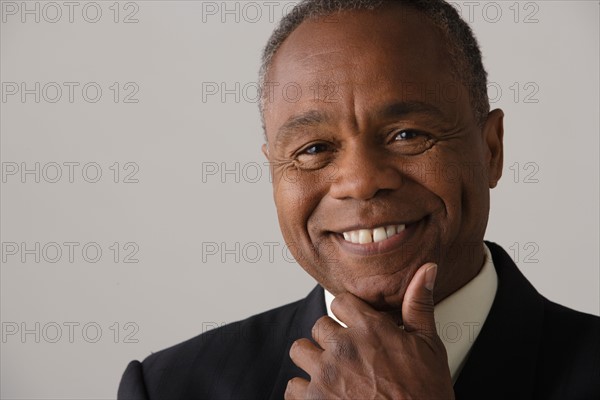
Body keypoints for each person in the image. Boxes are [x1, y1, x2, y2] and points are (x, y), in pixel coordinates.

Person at [118, 0, 600, 398]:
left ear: (491, 149)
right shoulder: (169, 388)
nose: (361, 182)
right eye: (313, 149)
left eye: (408, 134)